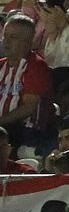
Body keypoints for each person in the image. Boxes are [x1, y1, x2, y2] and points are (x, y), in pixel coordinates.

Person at [0, 15, 54, 155]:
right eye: (5, 35)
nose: (6, 41)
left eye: (13, 37)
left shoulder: (36, 66)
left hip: (27, 129)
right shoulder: (1, 66)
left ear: (27, 42)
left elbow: (28, 108)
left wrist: (0, 122)